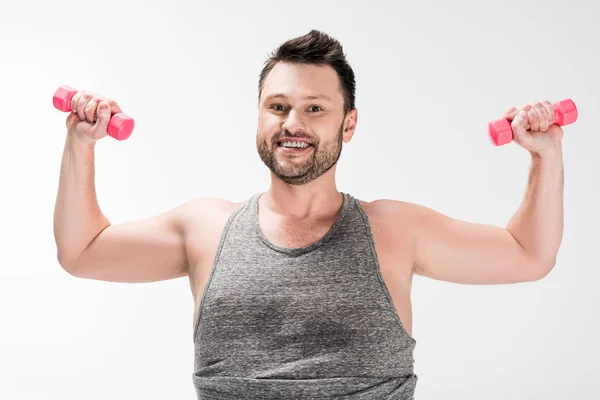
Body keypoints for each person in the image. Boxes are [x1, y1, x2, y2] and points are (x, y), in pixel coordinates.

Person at [53, 30, 565, 399]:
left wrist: (545, 155)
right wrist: (81, 144)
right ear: (259, 116)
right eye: (277, 106)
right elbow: (82, 252)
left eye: (315, 109)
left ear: (349, 125)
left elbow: (528, 256)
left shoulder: (393, 230)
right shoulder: (207, 228)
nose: (292, 123)